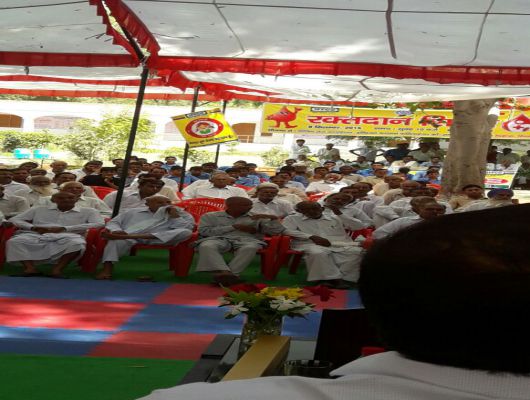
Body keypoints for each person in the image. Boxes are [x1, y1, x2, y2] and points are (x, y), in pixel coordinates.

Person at [140, 204, 530, 400]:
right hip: (279, 243)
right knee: (316, 251)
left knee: (343, 251)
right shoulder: (227, 215)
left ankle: (333, 276)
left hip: (330, 245)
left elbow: (351, 232)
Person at [7, 192, 105, 278]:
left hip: (69, 235)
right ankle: (30, 268)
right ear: (53, 200)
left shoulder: (89, 211)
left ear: (76, 199)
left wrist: (65, 228)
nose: (66, 200)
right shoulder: (39, 209)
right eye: (61, 198)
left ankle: (57, 270)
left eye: (70, 198)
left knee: (76, 244)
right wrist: (33, 227)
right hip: (37, 233)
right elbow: (14, 219)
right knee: (15, 241)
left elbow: (99, 223)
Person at [95, 195, 194, 280]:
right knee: (115, 242)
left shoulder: (182, 214)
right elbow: (113, 222)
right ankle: (107, 270)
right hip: (128, 237)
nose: (165, 205)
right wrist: (116, 230)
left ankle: (123, 236)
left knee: (186, 232)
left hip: (159, 239)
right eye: (160, 203)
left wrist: (175, 216)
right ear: (147, 204)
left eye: (168, 202)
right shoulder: (132, 212)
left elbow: (187, 228)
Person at [195, 197, 284, 285]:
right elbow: (204, 232)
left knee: (250, 247)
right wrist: (233, 227)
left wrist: (273, 219)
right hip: (218, 238)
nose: (250, 207)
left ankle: (228, 275)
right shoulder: (210, 216)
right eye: (245, 205)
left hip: (247, 240)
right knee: (207, 245)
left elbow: (276, 232)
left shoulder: (256, 217)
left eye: (251, 205)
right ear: (230, 206)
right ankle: (226, 273)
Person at [282, 201, 364, 288]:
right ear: (300, 211)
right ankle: (330, 280)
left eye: (314, 208)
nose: (311, 211)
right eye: (306, 210)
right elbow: (285, 230)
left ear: (322, 209)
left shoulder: (335, 217)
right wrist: (311, 236)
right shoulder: (292, 218)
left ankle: (345, 279)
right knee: (318, 253)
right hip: (309, 243)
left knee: (357, 252)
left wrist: (340, 214)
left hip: (340, 243)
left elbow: (358, 226)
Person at [372, 197, 445, 239]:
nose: (435, 212)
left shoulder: (448, 223)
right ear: (420, 210)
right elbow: (379, 234)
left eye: (439, 210)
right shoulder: (404, 221)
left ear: (444, 211)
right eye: (429, 209)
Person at [182, 173, 249, 200]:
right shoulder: (198, 189)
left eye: (224, 179)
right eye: (218, 179)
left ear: (228, 181)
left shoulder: (238, 190)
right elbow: (186, 198)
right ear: (211, 180)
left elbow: (246, 202)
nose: (221, 181)